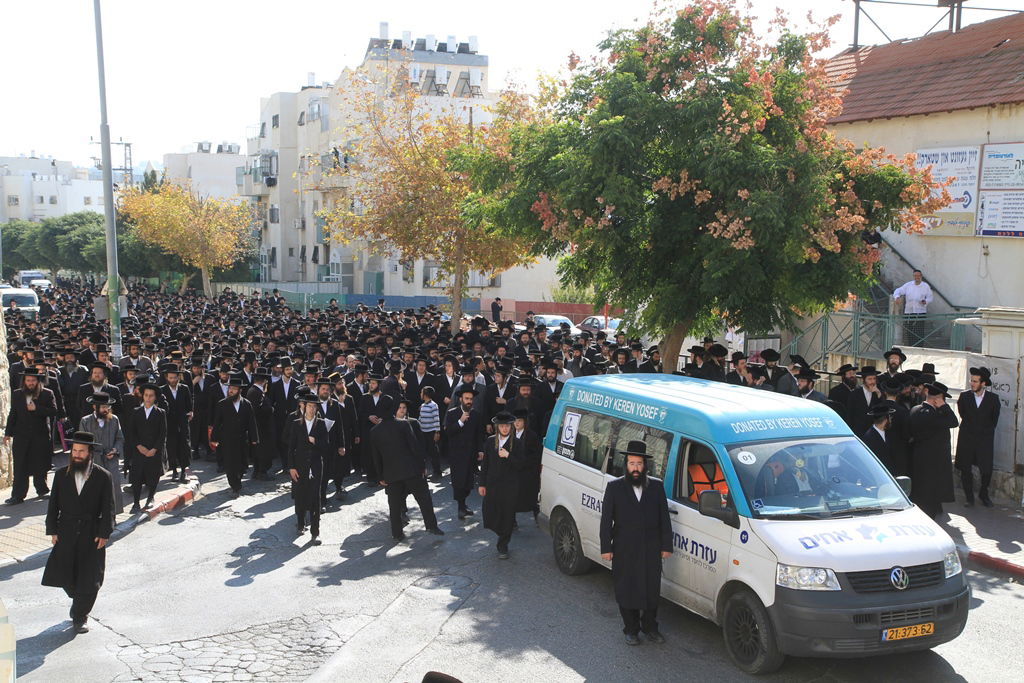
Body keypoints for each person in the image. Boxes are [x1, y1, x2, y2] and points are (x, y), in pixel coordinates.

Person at [599, 441, 672, 645]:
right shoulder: (614, 487)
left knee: (651, 589)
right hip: (624, 548)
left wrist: (666, 545)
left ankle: (650, 627)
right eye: (632, 463)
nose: (636, 468)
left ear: (645, 465)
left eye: (639, 463)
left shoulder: (656, 487)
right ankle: (630, 629)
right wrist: (606, 547)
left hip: (651, 548)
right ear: (626, 465)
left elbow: (664, 518)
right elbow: (606, 520)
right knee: (626, 589)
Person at [42, 430, 114, 634]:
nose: (77, 455)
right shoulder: (61, 475)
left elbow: (108, 507)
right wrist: (52, 530)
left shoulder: (103, 476)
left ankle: (79, 616)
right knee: (66, 575)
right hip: (66, 531)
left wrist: (105, 532)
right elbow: (53, 504)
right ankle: (79, 601)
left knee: (91, 580)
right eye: (74, 450)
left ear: (90, 453)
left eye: (82, 451)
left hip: (91, 533)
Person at [370, 400, 443, 542]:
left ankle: (397, 533)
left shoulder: (374, 431)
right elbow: (414, 447)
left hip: (391, 474)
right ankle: (431, 526)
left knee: (394, 506)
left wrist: (380, 476)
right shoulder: (403, 424)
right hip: (411, 470)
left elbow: (375, 456)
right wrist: (422, 467)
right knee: (424, 499)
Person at [4, 367, 58, 504]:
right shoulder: (17, 394)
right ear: (24, 381)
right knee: (20, 465)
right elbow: (13, 414)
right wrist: (8, 433)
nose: (30, 383)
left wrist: (37, 409)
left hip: (40, 436)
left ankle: (42, 489)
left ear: (38, 381)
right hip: (21, 436)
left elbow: (53, 411)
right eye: (28, 380)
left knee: (40, 464)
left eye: (33, 380)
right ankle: (18, 495)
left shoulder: (47, 394)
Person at [908, 382, 958, 519]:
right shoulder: (932, 415)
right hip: (932, 464)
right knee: (928, 499)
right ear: (938, 398)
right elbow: (954, 422)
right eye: (944, 399)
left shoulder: (915, 409)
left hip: (918, 458)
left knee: (920, 494)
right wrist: (944, 406)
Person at [479, 411, 524, 559]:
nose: (504, 429)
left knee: (508, 514)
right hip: (493, 484)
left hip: (510, 485)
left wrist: (508, 456)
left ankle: (503, 544)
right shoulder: (491, 441)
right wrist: (482, 483)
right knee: (490, 511)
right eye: (502, 426)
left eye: (507, 426)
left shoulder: (516, 443)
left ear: (511, 427)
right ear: (497, 427)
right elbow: (485, 464)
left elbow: (521, 465)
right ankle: (501, 532)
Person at [287, 391, 330, 544]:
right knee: (300, 495)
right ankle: (300, 523)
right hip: (299, 466)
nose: (312, 409)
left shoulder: (322, 424)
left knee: (315, 498)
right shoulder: (296, 423)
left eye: (314, 406)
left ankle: (315, 532)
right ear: (304, 407)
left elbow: (326, 447)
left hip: (316, 466)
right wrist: (291, 467)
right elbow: (291, 447)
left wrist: (315, 441)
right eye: (309, 406)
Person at [955, 367, 1000, 507]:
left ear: (983, 383)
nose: (972, 383)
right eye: (971, 380)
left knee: (986, 470)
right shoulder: (964, 396)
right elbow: (962, 414)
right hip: (967, 438)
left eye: (975, 381)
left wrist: (983, 432)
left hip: (984, 440)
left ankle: (983, 494)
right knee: (965, 469)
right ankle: (969, 497)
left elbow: (994, 420)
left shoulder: (993, 399)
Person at [209, 375, 259, 498]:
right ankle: (235, 486)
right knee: (230, 465)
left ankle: (238, 479)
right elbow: (217, 423)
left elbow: (251, 422)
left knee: (242, 464)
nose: (231, 391)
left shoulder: (246, 404)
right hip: (227, 440)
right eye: (230, 388)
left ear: (240, 391)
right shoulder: (222, 404)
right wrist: (214, 439)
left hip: (242, 439)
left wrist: (254, 438)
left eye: (234, 389)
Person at [79, 392, 126, 515]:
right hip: (93, 462)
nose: (106, 409)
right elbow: (82, 444)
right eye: (103, 407)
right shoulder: (85, 421)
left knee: (113, 487)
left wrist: (115, 450)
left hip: (111, 460)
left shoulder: (114, 419)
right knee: (94, 489)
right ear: (95, 407)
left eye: (108, 407)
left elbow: (120, 438)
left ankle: (113, 516)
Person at [124, 382, 167, 513]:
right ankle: (136, 502)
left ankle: (150, 498)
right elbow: (131, 432)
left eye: (151, 396)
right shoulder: (136, 412)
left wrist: (154, 449)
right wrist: (138, 446)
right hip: (139, 451)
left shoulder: (160, 413)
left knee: (152, 475)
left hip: (154, 451)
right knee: (137, 476)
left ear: (155, 397)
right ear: (142, 396)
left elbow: (163, 433)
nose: (148, 398)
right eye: (146, 395)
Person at [445, 384, 485, 519]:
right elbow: (449, 432)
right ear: (461, 399)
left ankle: (463, 505)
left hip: (471, 454)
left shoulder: (476, 415)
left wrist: (480, 450)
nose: (469, 401)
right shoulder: (452, 414)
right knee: (458, 482)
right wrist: (460, 422)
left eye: (471, 399)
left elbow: (479, 434)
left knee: (468, 482)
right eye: (466, 398)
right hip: (456, 454)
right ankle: (461, 507)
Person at [159, 363, 192, 483]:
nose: (173, 380)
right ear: (167, 377)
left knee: (184, 446)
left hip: (182, 422)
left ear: (178, 377)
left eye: (175, 377)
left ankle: (184, 471)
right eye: (170, 377)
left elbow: (189, 404)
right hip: (169, 423)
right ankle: (174, 471)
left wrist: (190, 413)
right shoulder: (162, 390)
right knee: (171, 447)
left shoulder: (184, 388)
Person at [513, 408, 543, 524]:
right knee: (512, 496)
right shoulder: (510, 434)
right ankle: (512, 519)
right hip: (514, 471)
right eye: (515, 421)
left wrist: (522, 462)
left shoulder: (531, 436)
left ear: (525, 422)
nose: (517, 423)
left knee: (531, 497)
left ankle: (537, 516)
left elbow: (535, 455)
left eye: (519, 421)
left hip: (528, 472)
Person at [893, 270, 933, 346]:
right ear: (913, 276)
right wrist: (897, 297)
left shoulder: (925, 286)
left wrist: (925, 301)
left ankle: (919, 347)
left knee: (919, 331)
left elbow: (930, 297)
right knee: (910, 331)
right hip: (909, 311)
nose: (917, 277)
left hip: (920, 311)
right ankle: (911, 347)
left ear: (921, 276)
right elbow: (898, 291)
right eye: (915, 276)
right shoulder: (908, 285)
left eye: (918, 276)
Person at [861, 404, 898, 475]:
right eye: (890, 417)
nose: (891, 419)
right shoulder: (869, 437)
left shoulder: (889, 433)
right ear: (885, 420)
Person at [846, 366, 882, 437]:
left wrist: (879, 394)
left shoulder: (878, 393)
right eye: (869, 379)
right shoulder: (854, 394)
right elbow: (850, 415)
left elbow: (881, 412)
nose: (872, 382)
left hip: (873, 433)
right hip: (858, 433)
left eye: (874, 378)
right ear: (863, 379)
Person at [418, 386, 443, 481]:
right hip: (423, 432)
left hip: (431, 432)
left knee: (433, 453)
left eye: (421, 393)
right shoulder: (423, 405)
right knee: (423, 453)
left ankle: (437, 472)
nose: (420, 394)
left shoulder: (433, 405)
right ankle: (423, 472)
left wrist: (437, 432)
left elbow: (436, 419)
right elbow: (420, 418)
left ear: (426, 395)